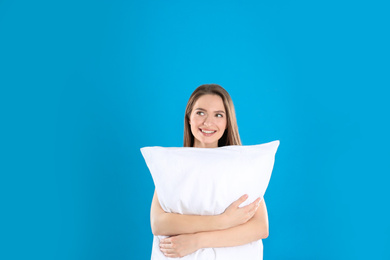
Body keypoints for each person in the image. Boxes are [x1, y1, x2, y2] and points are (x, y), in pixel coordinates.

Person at [150, 84, 269, 258]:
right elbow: (159, 223)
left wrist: (197, 241)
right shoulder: (174, 165)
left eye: (218, 115)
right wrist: (223, 221)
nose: (208, 122)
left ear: (227, 122)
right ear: (189, 117)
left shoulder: (240, 165)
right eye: (200, 112)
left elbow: (260, 227)